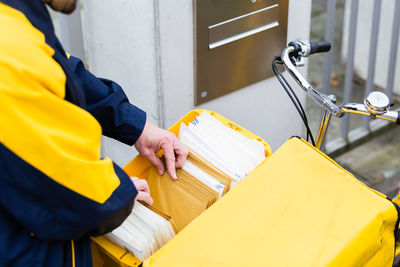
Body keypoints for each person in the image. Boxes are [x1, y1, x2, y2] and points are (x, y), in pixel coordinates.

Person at [0, 0, 188, 266]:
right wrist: (119, 193)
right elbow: (76, 198)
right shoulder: (7, 56)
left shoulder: (14, 18)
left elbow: (58, 72)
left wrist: (137, 126)